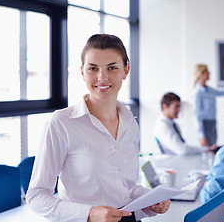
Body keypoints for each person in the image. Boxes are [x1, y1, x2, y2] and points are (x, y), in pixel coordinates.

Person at [26, 34, 170, 222]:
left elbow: (126, 187)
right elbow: (37, 196)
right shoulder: (61, 123)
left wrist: (151, 199)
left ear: (125, 71)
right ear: (82, 71)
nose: (102, 77)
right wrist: (89, 213)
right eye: (93, 68)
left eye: (112, 68)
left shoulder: (129, 122)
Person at [192, 64, 224, 146]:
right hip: (204, 125)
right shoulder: (197, 92)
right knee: (208, 151)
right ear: (201, 74)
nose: (209, 73)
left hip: (212, 123)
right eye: (207, 72)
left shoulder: (209, 89)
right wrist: (201, 135)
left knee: (213, 148)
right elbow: (196, 115)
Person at [153, 92, 219, 155]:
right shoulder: (162, 125)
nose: (179, 110)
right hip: (172, 163)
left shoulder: (173, 124)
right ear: (164, 107)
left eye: (179, 107)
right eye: (176, 107)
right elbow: (181, 150)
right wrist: (206, 149)